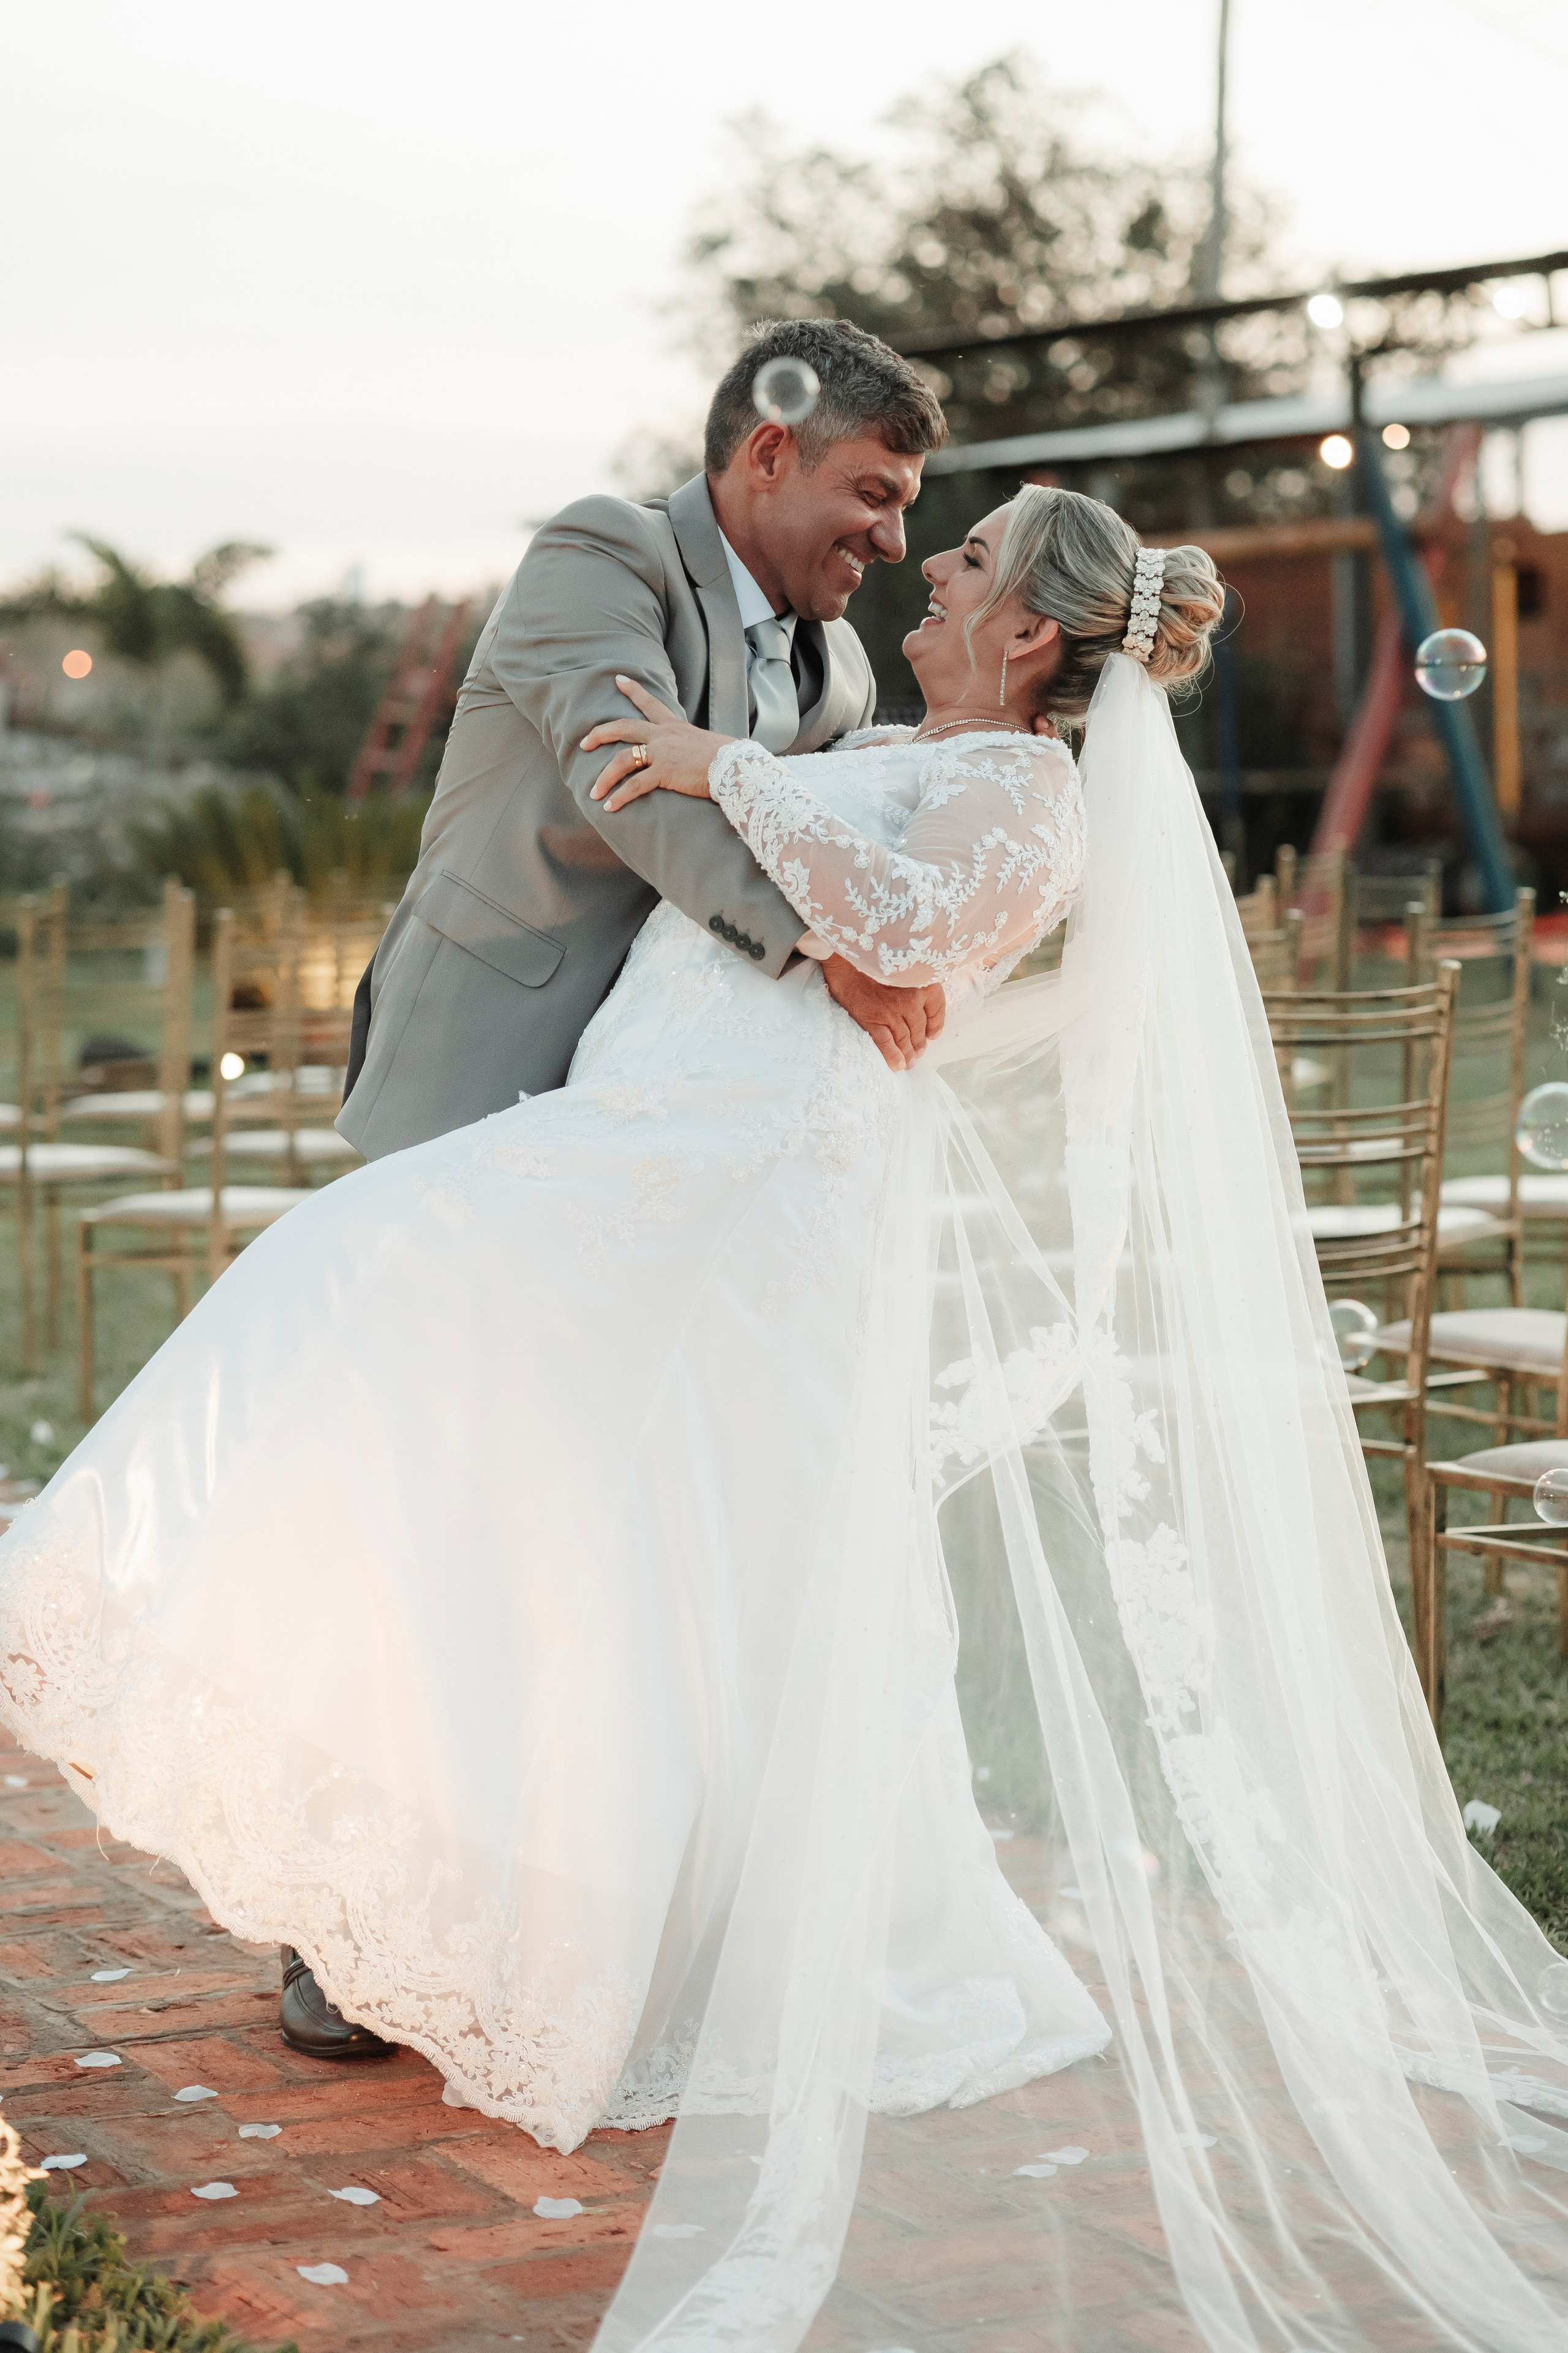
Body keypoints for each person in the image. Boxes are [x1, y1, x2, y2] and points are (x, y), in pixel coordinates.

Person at [6, 486, 1568, 2353]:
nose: (938, 566)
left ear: (1035, 637)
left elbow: (906, 940)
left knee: (459, 1374)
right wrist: (737, 771)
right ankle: (469, 1897)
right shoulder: (892, 736)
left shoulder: (1031, 794)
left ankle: (568, 1931)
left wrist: (714, 772)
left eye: (974, 557)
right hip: (655, 1150)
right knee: (572, 1513)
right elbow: (831, 913)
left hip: (744, 1190)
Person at [337, 314, 951, 1166]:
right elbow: (633, 782)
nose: (894, 541)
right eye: (875, 495)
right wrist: (831, 949)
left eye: (904, 508)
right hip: (498, 1040)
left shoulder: (843, 666)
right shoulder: (605, 551)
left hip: (682, 1080)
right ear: (770, 455)